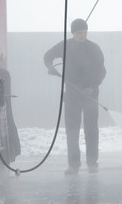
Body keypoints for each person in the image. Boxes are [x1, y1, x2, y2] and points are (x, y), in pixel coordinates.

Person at [44, 18, 106, 175]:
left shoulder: (93, 48)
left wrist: (92, 87)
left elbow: (102, 71)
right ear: (73, 33)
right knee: (72, 130)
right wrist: (50, 66)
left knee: (91, 129)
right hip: (72, 95)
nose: (82, 35)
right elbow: (48, 56)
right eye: (79, 33)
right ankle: (74, 164)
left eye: (85, 32)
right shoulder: (66, 46)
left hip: (90, 94)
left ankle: (92, 162)